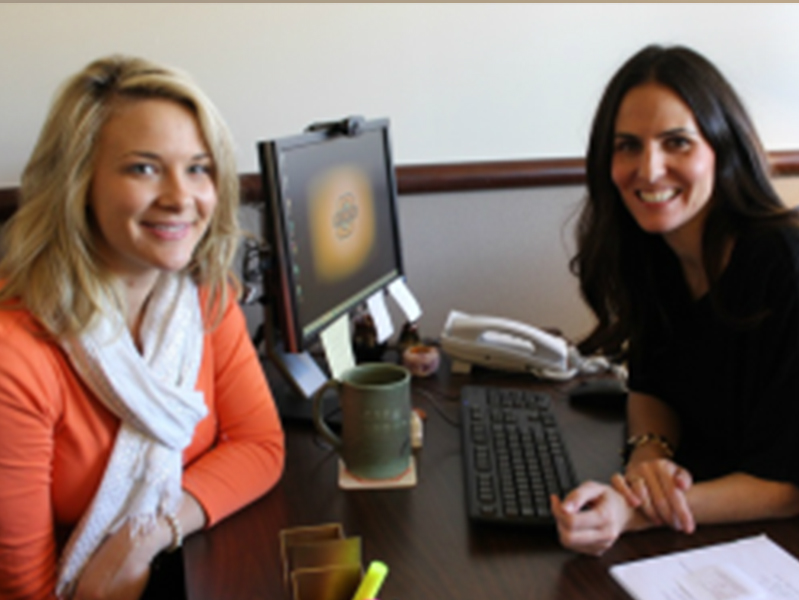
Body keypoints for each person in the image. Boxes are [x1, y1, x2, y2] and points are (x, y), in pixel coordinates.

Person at [0, 55, 285, 599]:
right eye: (144, 168)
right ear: (79, 183)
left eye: (198, 167)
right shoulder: (16, 352)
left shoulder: (204, 296)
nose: (182, 197)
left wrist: (146, 534)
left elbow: (260, 445)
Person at [551, 44, 799, 555]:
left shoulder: (784, 266)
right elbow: (651, 386)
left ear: (721, 149)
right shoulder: (654, 250)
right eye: (628, 146)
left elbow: (786, 487)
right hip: (712, 527)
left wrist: (633, 511)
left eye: (677, 143)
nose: (650, 169)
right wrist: (647, 458)